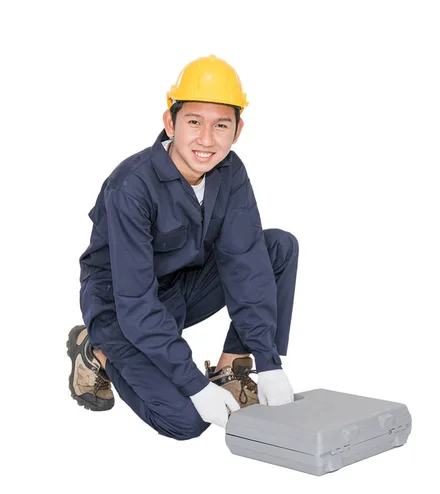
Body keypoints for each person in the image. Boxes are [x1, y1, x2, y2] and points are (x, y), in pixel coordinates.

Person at [67, 55, 299, 440]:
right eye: (194, 122)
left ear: (237, 130)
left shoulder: (230, 171)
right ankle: (97, 351)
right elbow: (136, 304)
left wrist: (268, 361)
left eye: (221, 125)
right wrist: (194, 384)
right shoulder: (132, 186)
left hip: (179, 290)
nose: (207, 140)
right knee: (187, 422)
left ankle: (230, 369)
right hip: (121, 310)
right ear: (169, 122)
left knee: (276, 248)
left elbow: (247, 264)